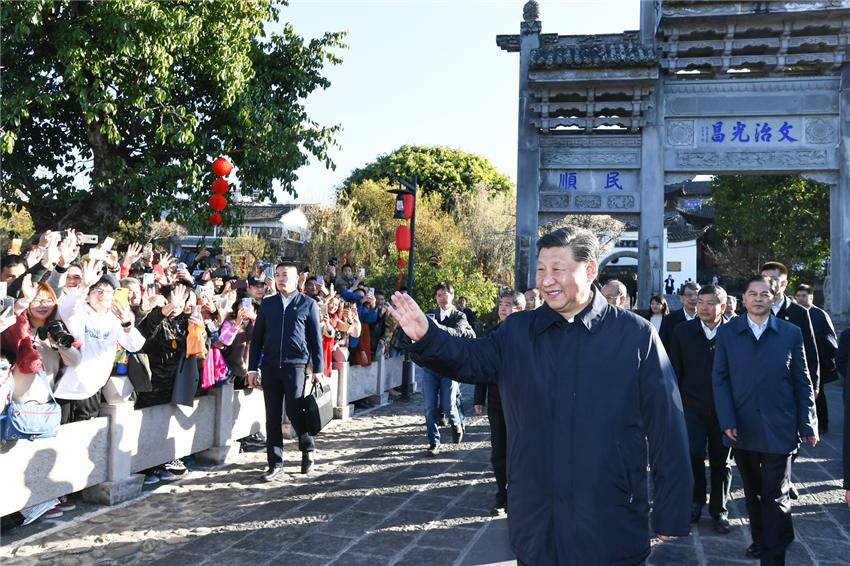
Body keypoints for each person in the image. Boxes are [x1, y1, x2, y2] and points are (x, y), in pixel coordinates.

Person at [389, 227, 691, 565]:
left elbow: (667, 425)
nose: (547, 280)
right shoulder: (518, 331)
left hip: (609, 518)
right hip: (536, 521)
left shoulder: (635, 335)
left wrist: (672, 508)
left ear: (589, 270)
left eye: (558, 269)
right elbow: (470, 358)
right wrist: (427, 335)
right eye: (541, 269)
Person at [712, 275, 817, 564]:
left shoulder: (790, 332)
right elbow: (720, 380)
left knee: (776, 494)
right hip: (741, 426)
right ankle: (764, 538)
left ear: (773, 298)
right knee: (754, 492)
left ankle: (773, 556)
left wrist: (808, 423)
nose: (758, 298)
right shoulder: (728, 333)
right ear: (743, 299)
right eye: (752, 293)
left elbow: (802, 380)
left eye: (764, 294)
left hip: (780, 425)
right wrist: (727, 419)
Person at [247, 259, 323, 481]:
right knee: (271, 416)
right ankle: (275, 464)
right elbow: (257, 338)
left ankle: (307, 447)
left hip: (296, 366)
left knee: (294, 410)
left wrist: (318, 368)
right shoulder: (268, 304)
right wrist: (252, 369)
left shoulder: (307, 304)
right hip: (270, 367)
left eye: (285, 275)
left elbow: (315, 340)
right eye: (278, 274)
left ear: (297, 277)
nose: (281, 278)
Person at [669, 285, 732, 534]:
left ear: (723, 307)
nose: (703, 307)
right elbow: (674, 369)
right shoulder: (683, 331)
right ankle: (696, 501)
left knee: (722, 462)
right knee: (693, 455)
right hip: (692, 406)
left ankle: (719, 509)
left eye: (710, 302)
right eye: (701, 302)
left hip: (724, 409)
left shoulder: (734, 332)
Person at [55, 261, 145, 423]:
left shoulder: (117, 317)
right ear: (89, 295)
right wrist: (82, 286)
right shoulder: (81, 310)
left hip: (92, 389)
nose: (103, 295)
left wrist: (126, 323)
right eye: (98, 291)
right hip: (65, 388)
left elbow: (135, 345)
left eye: (109, 291)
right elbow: (67, 309)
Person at [474, 290, 524, 517]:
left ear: (519, 309)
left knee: (521, 452)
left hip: (524, 405)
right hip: (497, 403)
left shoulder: (530, 335)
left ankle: (521, 495)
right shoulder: (492, 333)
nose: (503, 308)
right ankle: (502, 497)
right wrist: (478, 397)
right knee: (499, 451)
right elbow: (483, 367)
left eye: (508, 305)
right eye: (501, 304)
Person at [419, 281, 475, 456]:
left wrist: (438, 327)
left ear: (452, 295)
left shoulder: (460, 316)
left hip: (450, 366)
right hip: (430, 365)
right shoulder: (430, 315)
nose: (442, 298)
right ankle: (433, 442)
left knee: (448, 404)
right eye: (439, 295)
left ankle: (457, 422)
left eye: (446, 294)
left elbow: (458, 332)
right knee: (429, 407)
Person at [795, 284, 838, 434]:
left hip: (817, 360)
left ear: (811, 297)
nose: (801, 299)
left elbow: (831, 340)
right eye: (798, 296)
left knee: (818, 394)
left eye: (804, 296)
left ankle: (822, 424)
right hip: (797, 360)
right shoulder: (794, 313)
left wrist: (813, 341)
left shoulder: (820, 314)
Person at [659, 281, 700, 352]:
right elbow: (663, 346)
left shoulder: (706, 319)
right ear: (681, 298)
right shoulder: (669, 320)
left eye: (697, 295)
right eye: (689, 295)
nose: (693, 298)